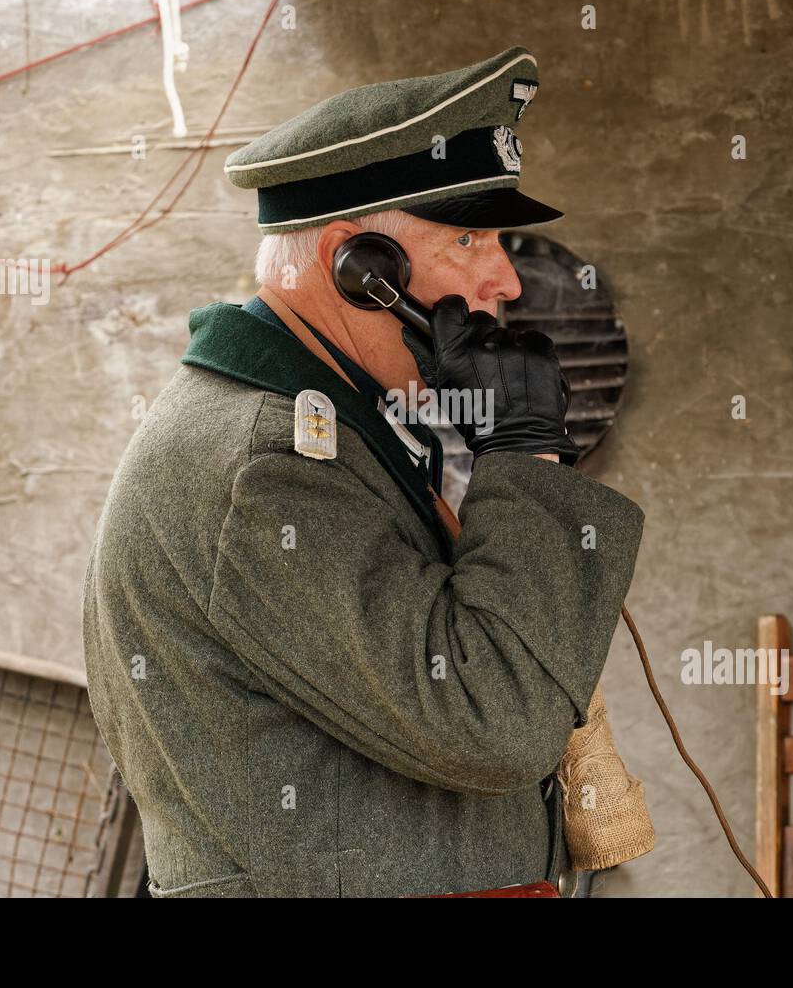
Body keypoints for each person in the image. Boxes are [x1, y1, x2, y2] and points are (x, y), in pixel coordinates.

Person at [82, 45, 650, 897]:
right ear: (361, 269)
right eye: (468, 237)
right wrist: (524, 451)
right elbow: (496, 721)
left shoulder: (339, 428)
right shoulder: (269, 468)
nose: (506, 278)